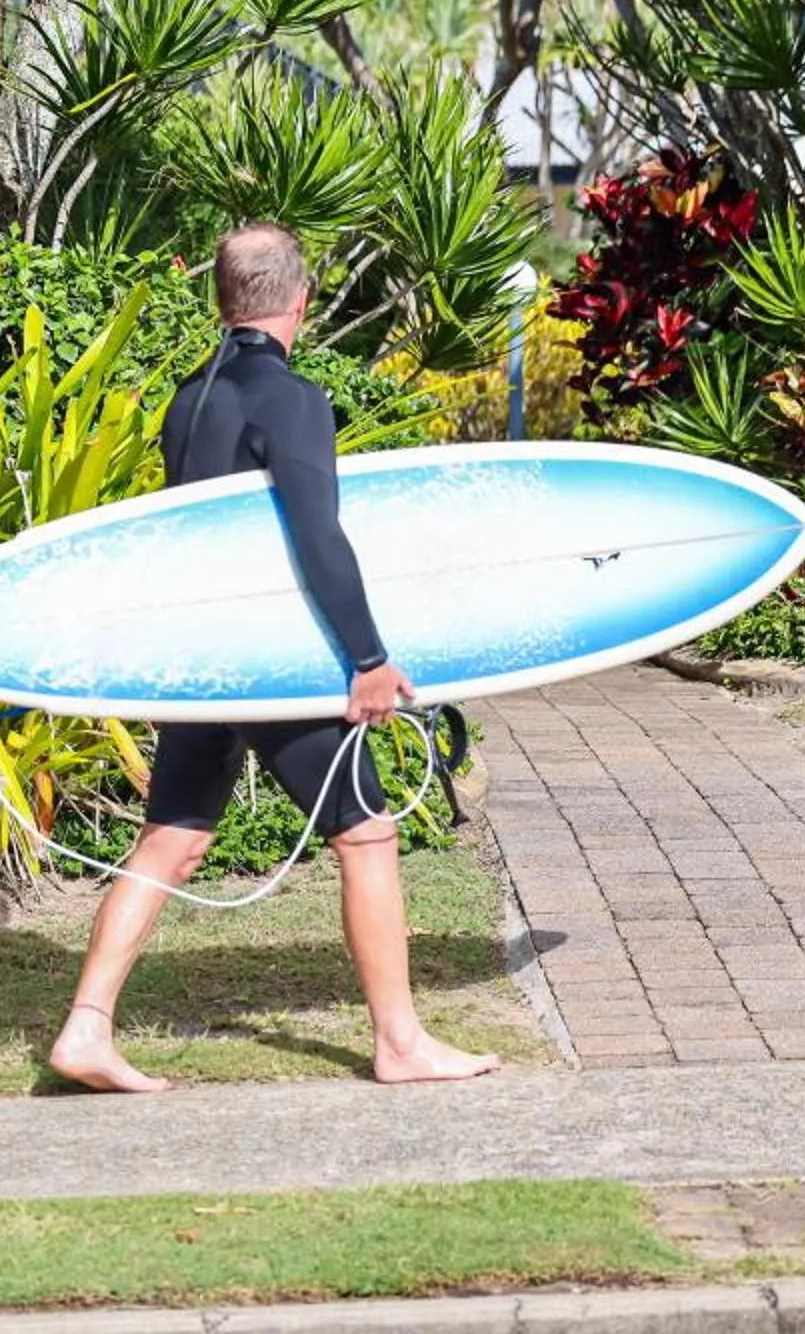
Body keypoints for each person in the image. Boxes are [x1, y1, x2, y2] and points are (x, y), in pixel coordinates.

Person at [48, 222, 499, 1094]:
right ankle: (401, 1044)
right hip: (271, 658)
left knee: (173, 839)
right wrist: (367, 658)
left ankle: (86, 1029)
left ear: (223, 299)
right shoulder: (293, 400)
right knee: (367, 835)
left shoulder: (191, 398)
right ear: (301, 300)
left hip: (204, 658)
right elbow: (316, 535)